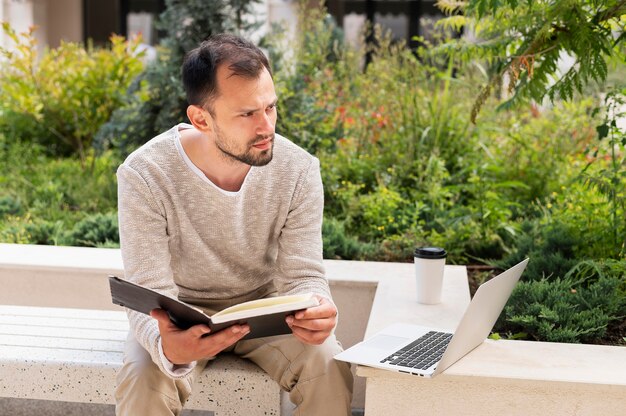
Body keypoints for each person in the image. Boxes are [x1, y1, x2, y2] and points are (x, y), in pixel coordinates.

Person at [114, 33, 354, 415]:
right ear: (200, 119)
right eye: (247, 114)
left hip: (267, 315)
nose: (266, 126)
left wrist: (319, 309)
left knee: (327, 364)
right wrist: (167, 346)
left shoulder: (298, 169)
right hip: (180, 318)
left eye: (271, 108)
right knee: (145, 379)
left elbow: (304, 275)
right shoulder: (145, 174)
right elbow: (148, 290)